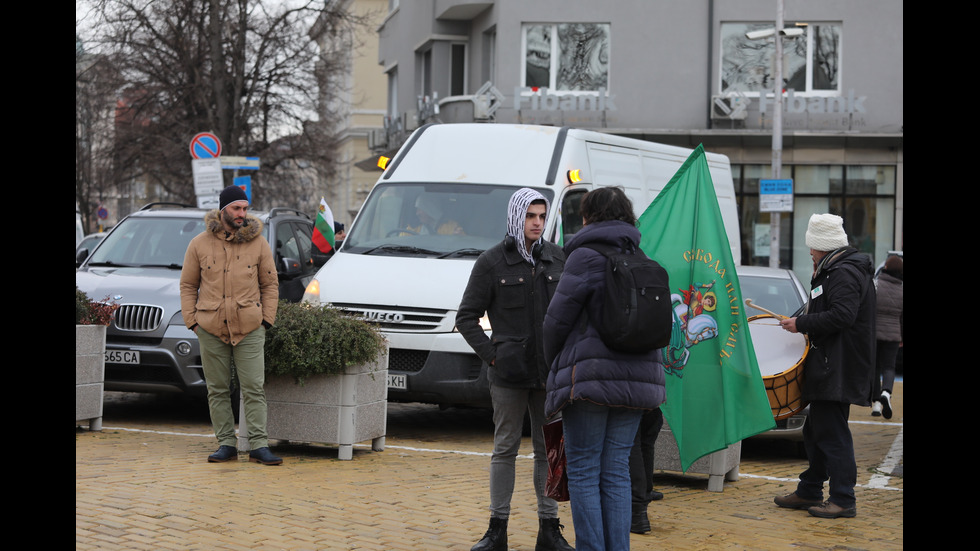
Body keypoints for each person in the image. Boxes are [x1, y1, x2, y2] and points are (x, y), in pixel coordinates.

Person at [544, 186, 666, 550]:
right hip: (640, 383)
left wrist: (554, 366)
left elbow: (555, 321)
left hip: (590, 384)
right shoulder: (643, 256)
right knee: (615, 471)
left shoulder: (584, 256)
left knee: (583, 470)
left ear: (588, 217)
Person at [456, 188, 573, 551]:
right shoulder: (492, 262)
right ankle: (497, 530)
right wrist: (493, 355)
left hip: (549, 375)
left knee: (548, 449)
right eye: (530, 216)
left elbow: (572, 313)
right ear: (516, 218)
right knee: (504, 448)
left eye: (541, 216)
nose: (537, 223)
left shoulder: (558, 258)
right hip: (507, 375)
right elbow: (466, 318)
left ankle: (549, 529)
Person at [774, 213, 875, 519]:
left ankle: (843, 498)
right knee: (816, 431)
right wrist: (798, 318)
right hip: (831, 364)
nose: (809, 253)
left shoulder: (842, 272)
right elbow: (823, 308)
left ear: (824, 246)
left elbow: (843, 315)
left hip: (838, 366)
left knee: (832, 434)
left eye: (813, 248)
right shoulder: (832, 270)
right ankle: (809, 490)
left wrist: (801, 323)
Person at [179, 184, 283, 466]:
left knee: (253, 387)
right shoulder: (199, 244)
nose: (242, 214)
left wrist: (265, 321)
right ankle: (226, 443)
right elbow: (188, 285)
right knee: (217, 388)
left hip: (250, 326)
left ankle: (259, 446)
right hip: (210, 327)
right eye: (237, 208)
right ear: (223, 209)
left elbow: (270, 285)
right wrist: (193, 322)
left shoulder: (258, 243)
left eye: (245, 208)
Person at [871, 255, 902, 419]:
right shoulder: (902, 289)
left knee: (875, 367)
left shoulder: (875, 285)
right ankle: (886, 392)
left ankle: (876, 404)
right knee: (889, 367)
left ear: (886, 268)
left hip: (874, 333)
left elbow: (867, 310)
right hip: (893, 334)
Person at [628, 408, 664, 534]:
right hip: (656, 394)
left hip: (632, 397)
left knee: (632, 443)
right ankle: (645, 492)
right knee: (646, 442)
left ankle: (637, 508)